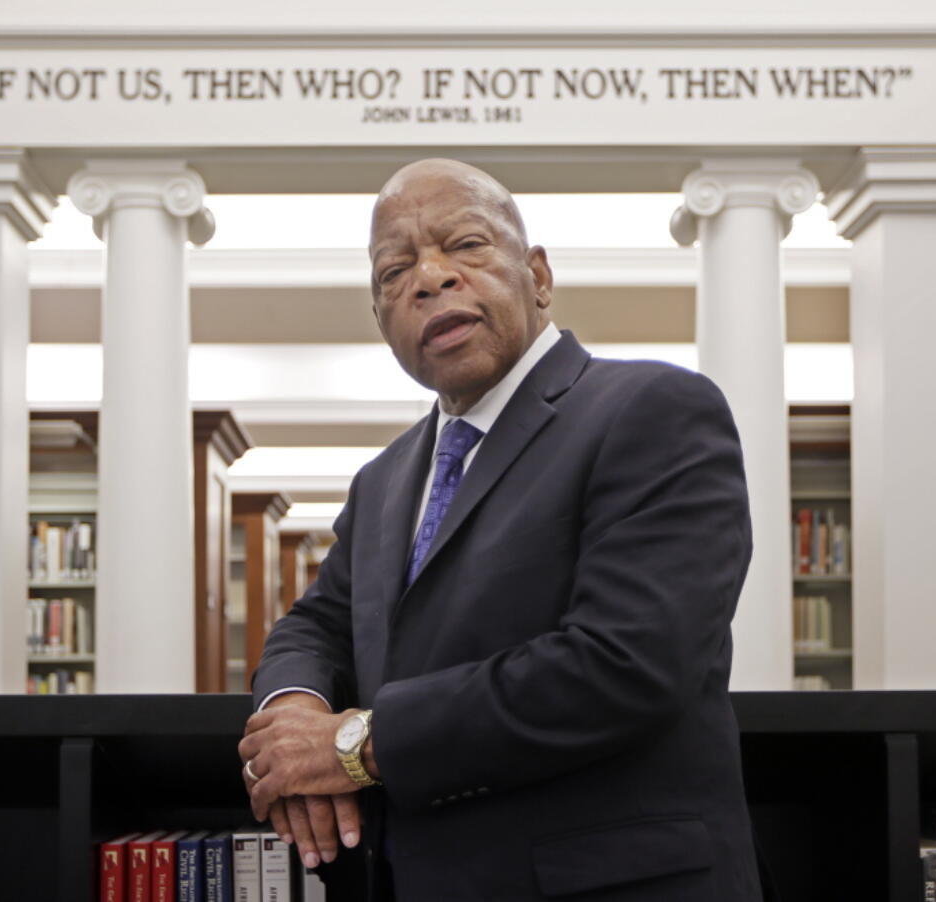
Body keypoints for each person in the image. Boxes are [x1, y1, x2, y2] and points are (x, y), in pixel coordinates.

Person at [238, 158, 763, 901]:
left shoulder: (654, 409)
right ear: (384, 322)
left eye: (466, 246)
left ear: (539, 276)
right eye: (394, 273)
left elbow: (626, 664)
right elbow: (314, 627)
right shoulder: (383, 480)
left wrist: (357, 748)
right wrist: (295, 718)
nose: (429, 278)